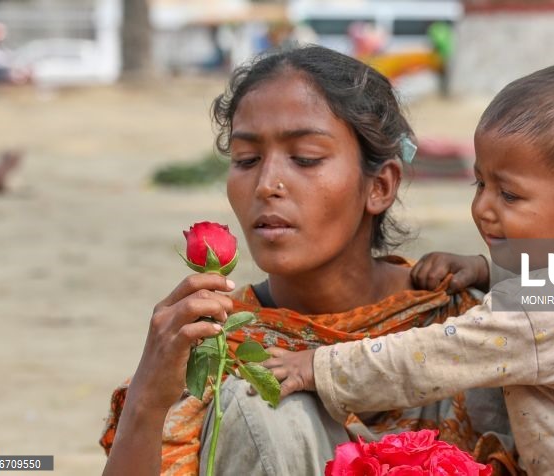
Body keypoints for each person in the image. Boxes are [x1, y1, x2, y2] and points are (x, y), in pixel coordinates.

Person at [263, 63, 554, 474]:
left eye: (509, 195)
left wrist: (318, 368)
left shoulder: (537, 313)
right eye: (479, 182)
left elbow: (429, 359)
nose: (483, 208)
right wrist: (487, 271)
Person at [100, 45, 515, 476]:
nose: (267, 184)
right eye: (246, 160)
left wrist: (497, 271)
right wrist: (148, 399)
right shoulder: (216, 347)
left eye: (306, 158)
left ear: (380, 186)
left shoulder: (467, 321)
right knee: (262, 401)